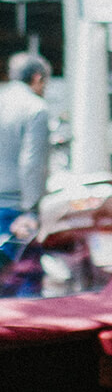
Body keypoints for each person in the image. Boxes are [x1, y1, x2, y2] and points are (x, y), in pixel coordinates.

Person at [0, 51, 52, 259]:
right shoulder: (36, 108)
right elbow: (32, 163)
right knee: (23, 277)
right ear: (37, 77)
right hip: (15, 208)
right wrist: (31, 209)